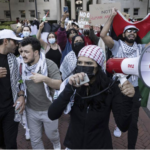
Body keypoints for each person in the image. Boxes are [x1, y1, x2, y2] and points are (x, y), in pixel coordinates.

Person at [48, 45, 140, 149]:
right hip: (73, 144)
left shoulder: (110, 87)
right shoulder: (72, 83)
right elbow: (52, 114)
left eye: (88, 63)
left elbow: (123, 126)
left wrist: (128, 98)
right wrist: (69, 88)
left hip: (100, 145)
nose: (83, 66)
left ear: (98, 65)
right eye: (80, 62)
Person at [100, 8, 150, 149]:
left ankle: (131, 148)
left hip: (133, 88)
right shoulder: (117, 46)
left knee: (133, 123)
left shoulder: (140, 48)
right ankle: (117, 127)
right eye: (129, 31)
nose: (132, 33)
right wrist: (111, 17)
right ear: (123, 34)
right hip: (117, 87)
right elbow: (103, 34)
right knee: (114, 112)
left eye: (135, 31)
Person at [19, 37, 62, 149]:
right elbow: (19, 84)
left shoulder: (48, 64)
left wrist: (44, 79)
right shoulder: (21, 66)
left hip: (49, 109)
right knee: (35, 139)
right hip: (31, 110)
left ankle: (56, 144)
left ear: (36, 52)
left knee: (51, 135)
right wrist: (21, 95)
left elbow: (59, 84)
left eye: (26, 52)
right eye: (21, 51)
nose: (23, 55)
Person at [0, 29, 25, 149]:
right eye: (14, 42)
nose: (17, 45)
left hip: (10, 108)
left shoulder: (13, 59)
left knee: (10, 144)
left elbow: (19, 80)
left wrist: (21, 94)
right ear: (6, 41)